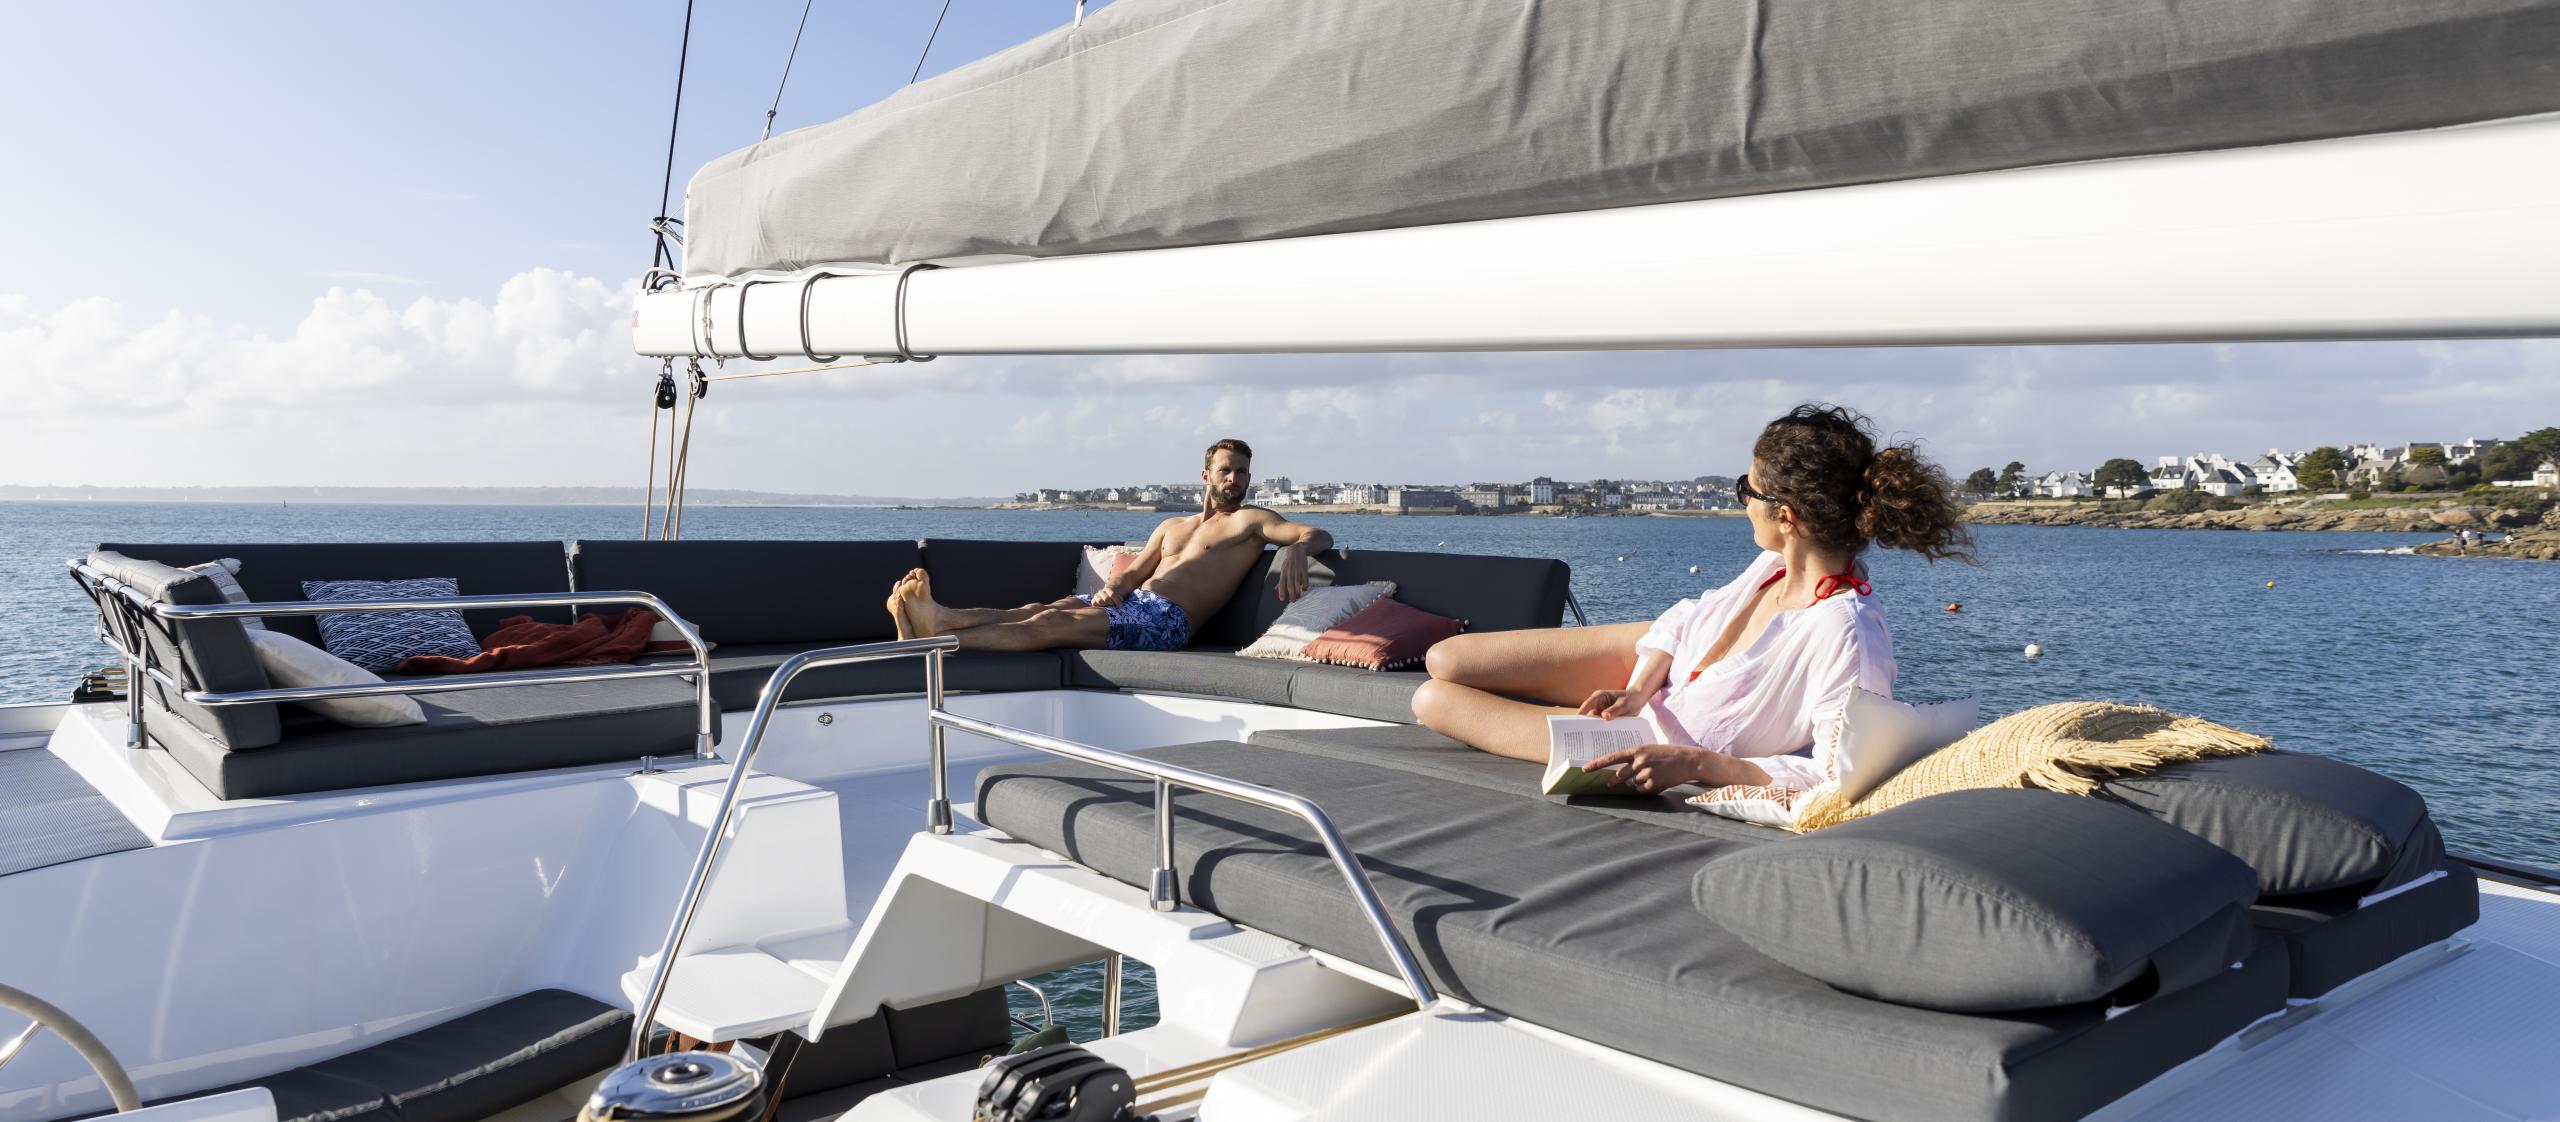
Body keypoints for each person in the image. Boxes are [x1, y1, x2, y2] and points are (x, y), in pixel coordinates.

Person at [1412, 404, 1972, 798]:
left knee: (1433, 700)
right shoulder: (1772, 567)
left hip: (1656, 743)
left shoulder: (1844, 631)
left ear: (1785, 515)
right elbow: (1686, 618)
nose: (1741, 501)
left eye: (1746, 490)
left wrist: (1697, 764)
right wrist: (1637, 689)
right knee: (1447, 658)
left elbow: (1836, 776)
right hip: (1654, 680)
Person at [888, 438, 1332, 651]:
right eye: (1226, 470)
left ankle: (934, 640)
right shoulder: (1172, 526)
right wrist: (1113, 588)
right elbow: (1135, 572)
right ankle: (940, 619)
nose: (1234, 479)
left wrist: (1296, 549)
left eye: (1242, 472)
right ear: (1206, 475)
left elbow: (1317, 535)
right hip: (1131, 603)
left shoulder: (1251, 521)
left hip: (1167, 622)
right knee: (1036, 609)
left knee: (1050, 624)